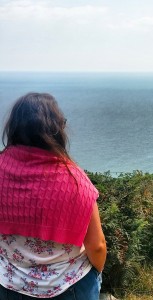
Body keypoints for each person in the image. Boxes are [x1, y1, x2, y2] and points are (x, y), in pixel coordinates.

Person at [0, 92, 107, 299]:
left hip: (9, 285)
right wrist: (97, 273)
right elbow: (97, 246)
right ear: (56, 129)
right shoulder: (74, 180)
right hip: (70, 287)